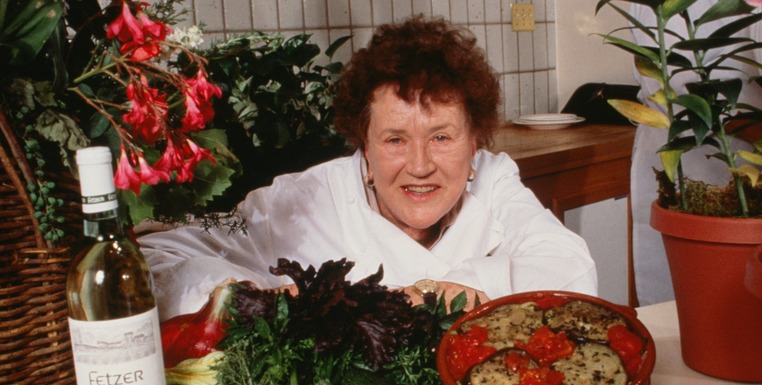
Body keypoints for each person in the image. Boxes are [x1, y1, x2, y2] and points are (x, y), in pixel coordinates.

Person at [137, 15, 598, 321]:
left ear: (474, 140)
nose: (420, 166)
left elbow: (574, 272)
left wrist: (432, 295)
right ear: (363, 144)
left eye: (441, 137)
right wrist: (252, 298)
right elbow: (154, 255)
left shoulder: (494, 180)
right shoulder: (300, 199)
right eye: (395, 140)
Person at [628, 2, 762, 305]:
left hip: (746, 168)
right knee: (668, 307)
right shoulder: (645, 7)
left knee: (740, 308)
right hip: (665, 159)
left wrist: (733, 124)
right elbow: (651, 77)